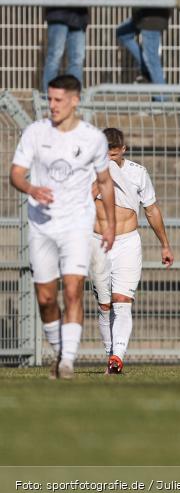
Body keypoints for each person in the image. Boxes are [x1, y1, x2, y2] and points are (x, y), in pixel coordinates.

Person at [9, 75, 115, 379]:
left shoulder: (92, 138)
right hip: (42, 225)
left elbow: (105, 182)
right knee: (45, 298)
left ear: (74, 100)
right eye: (49, 99)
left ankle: (67, 361)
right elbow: (16, 174)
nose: (52, 105)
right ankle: (59, 351)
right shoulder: (35, 132)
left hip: (76, 225)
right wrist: (31, 188)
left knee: (72, 291)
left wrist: (108, 225)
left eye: (58, 100)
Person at [89, 128, 173, 375]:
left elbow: (151, 210)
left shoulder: (137, 173)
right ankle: (110, 354)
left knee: (122, 301)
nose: (110, 160)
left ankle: (117, 357)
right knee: (105, 305)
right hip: (98, 242)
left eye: (114, 155)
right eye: (106, 155)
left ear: (123, 150)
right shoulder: (89, 172)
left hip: (127, 243)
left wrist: (165, 244)